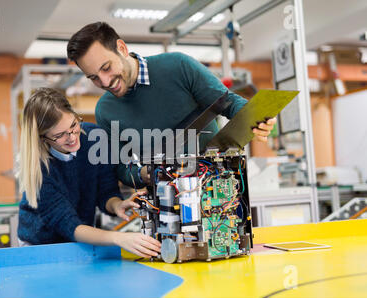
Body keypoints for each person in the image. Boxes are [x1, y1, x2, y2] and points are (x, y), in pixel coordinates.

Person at [67, 22, 277, 189]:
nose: (104, 82)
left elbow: (229, 103)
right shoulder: (105, 111)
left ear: (121, 48)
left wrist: (256, 117)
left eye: (106, 67)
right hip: (165, 203)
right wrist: (143, 174)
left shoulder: (178, 66)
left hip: (216, 190)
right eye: (94, 77)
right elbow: (122, 168)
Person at [17, 87, 161, 258]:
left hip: (80, 239)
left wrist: (117, 205)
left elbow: (106, 192)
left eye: (73, 125)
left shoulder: (94, 138)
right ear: (43, 138)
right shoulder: (38, 171)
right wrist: (119, 238)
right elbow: (71, 227)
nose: (72, 137)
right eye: (60, 135)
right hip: (40, 246)